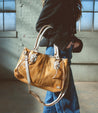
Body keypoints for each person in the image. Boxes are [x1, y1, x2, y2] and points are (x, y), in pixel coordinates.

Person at [36, 0, 83, 113]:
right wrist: (64, 42)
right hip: (57, 52)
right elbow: (40, 25)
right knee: (67, 98)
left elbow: (62, 28)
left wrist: (75, 42)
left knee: (53, 96)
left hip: (63, 52)